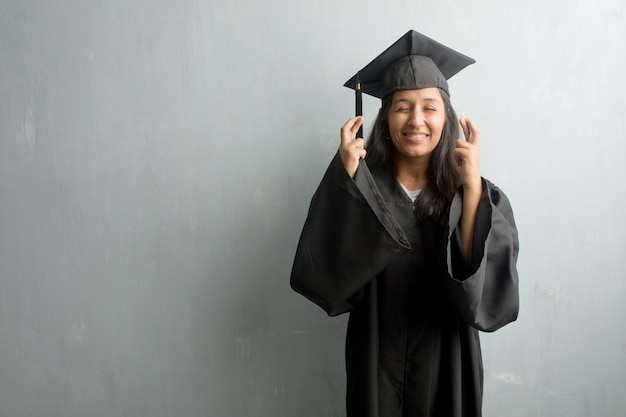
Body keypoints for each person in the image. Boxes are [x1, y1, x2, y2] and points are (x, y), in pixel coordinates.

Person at [290, 30, 519, 417]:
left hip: (448, 357)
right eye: (402, 107)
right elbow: (325, 277)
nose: (416, 120)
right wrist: (346, 182)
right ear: (385, 116)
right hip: (376, 355)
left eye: (429, 107)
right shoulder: (362, 187)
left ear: (446, 116)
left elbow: (481, 293)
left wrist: (473, 189)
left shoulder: (470, 190)